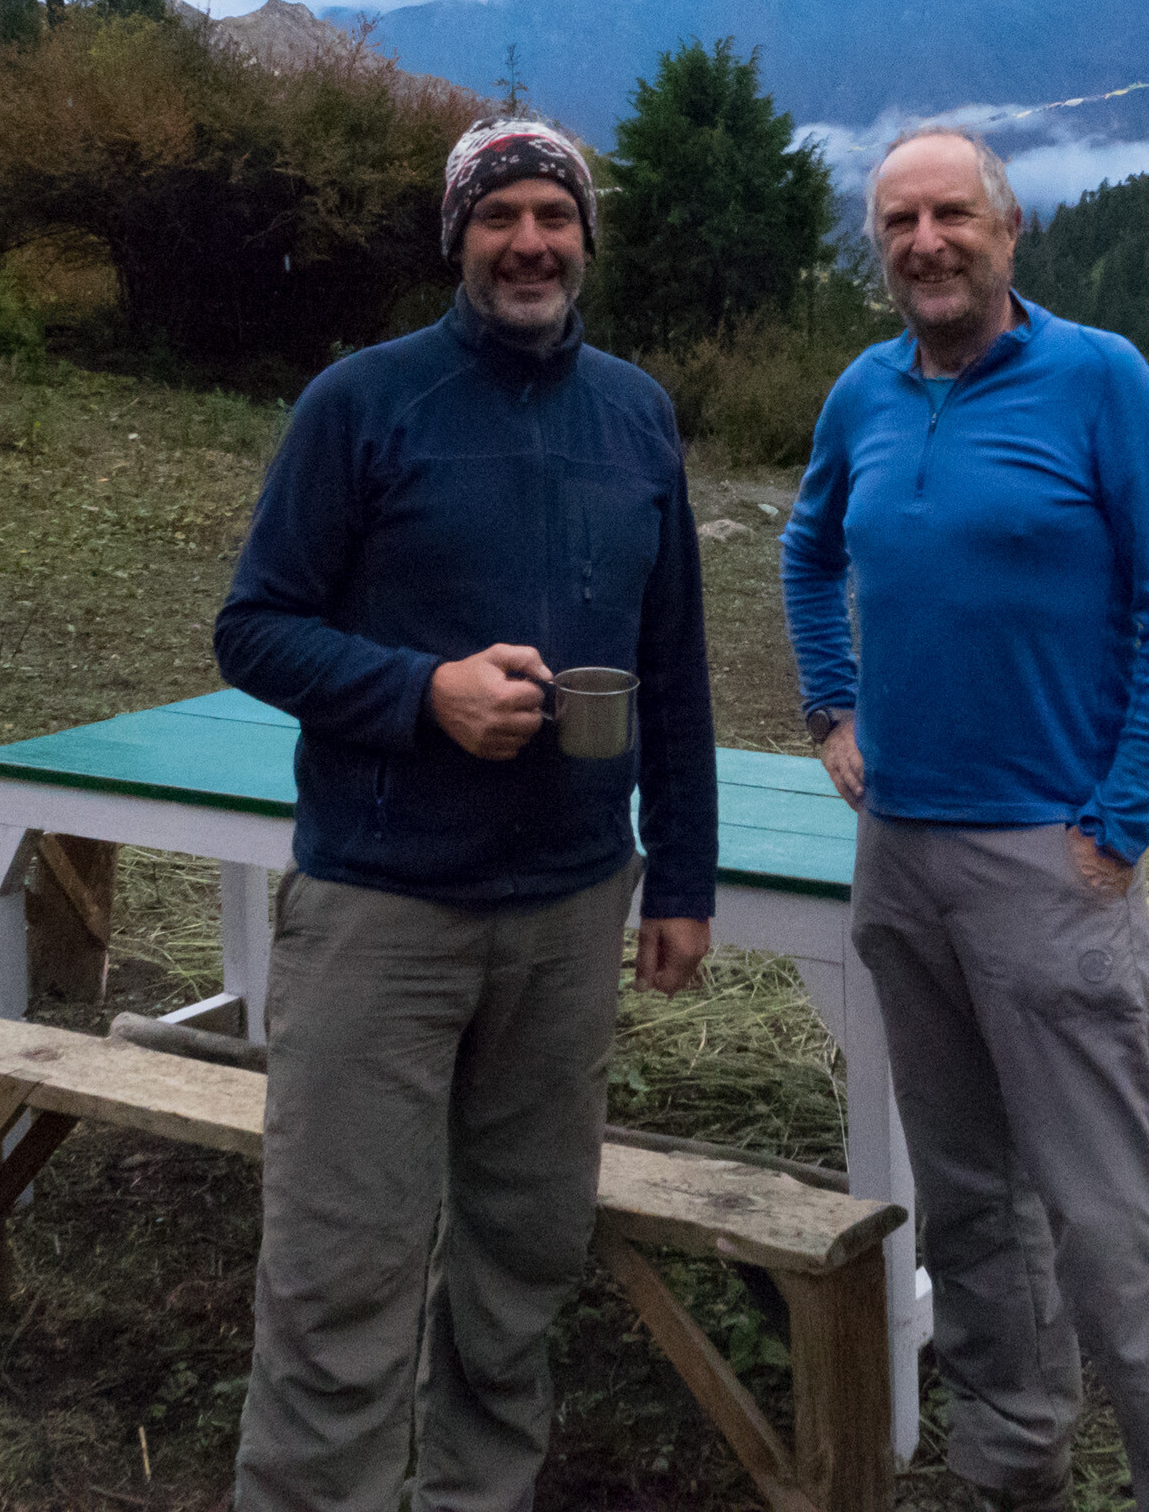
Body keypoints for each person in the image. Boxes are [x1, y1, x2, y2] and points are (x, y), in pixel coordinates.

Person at [214, 114, 718, 1512]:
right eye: (499, 217)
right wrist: (418, 690)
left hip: (569, 908)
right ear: (457, 238)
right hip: (384, 903)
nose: (530, 241)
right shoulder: (363, 404)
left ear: (586, 239)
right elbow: (254, 628)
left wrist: (682, 872)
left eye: (555, 215)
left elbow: (672, 663)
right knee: (340, 1270)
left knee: (523, 1259)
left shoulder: (635, 412)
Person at [781, 126, 1149, 1512]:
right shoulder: (864, 393)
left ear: (1008, 227)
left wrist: (1117, 823)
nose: (924, 242)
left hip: (1051, 863)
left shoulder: (1101, 381)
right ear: (879, 248)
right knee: (971, 1195)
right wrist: (831, 708)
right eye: (897, 223)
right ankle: (1013, 1460)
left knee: (1117, 1221)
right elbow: (810, 548)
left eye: (950, 215)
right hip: (901, 859)